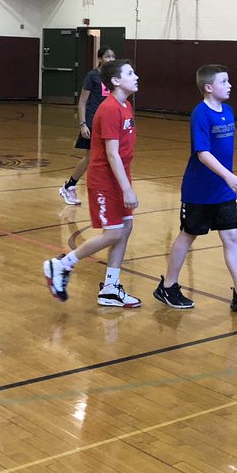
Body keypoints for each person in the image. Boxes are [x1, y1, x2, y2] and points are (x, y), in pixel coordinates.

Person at [153, 65, 237, 313]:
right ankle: (168, 286)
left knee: (231, 237)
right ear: (208, 87)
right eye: (224, 81)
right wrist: (229, 176)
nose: (230, 85)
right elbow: (203, 153)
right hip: (199, 190)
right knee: (188, 234)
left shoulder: (228, 111)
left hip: (223, 191)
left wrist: (227, 180)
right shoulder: (200, 114)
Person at [42, 59, 142, 307]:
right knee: (114, 232)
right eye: (130, 73)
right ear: (116, 81)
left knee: (125, 229)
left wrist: (126, 184)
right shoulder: (109, 109)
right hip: (105, 180)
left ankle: (110, 288)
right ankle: (61, 265)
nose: (136, 76)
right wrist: (127, 188)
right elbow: (111, 153)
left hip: (120, 178)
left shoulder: (126, 105)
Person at [59, 46, 117, 205]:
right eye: (107, 56)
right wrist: (83, 124)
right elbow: (83, 102)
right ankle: (68, 186)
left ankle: (105, 191)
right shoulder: (93, 76)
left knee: (109, 157)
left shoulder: (114, 77)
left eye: (113, 57)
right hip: (93, 122)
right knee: (90, 157)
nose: (111, 59)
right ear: (100, 59)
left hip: (108, 123)